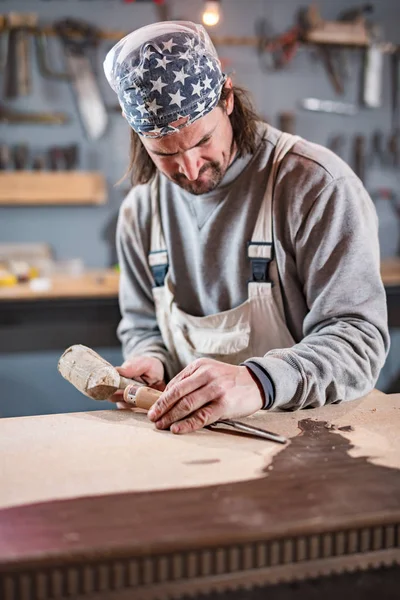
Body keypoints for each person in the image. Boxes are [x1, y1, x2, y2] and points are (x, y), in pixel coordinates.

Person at [103, 21, 389, 435]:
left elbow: (357, 340)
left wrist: (259, 380)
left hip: (316, 439)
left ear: (228, 99)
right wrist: (152, 360)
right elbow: (142, 326)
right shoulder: (141, 212)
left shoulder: (316, 186)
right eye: (165, 152)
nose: (189, 168)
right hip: (196, 445)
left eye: (202, 140)